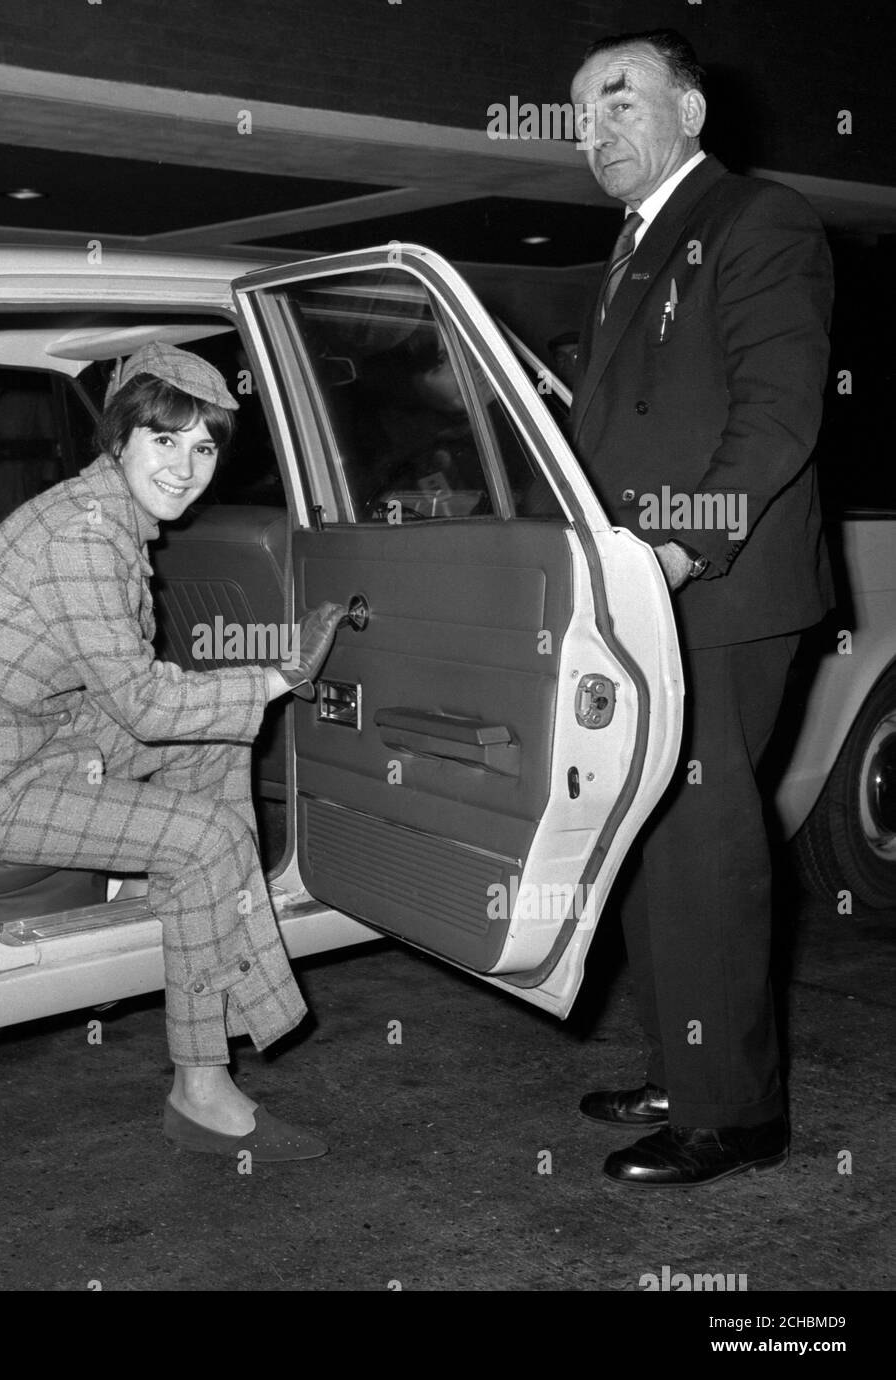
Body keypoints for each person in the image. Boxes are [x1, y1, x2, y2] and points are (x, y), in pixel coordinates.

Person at [0, 341, 344, 1162]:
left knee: (209, 743)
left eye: (204, 446)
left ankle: (177, 917)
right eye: (165, 440)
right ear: (122, 437)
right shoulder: (85, 539)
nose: (186, 466)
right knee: (212, 841)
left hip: (13, 738)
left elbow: (122, 691)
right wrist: (275, 676)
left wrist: (242, 687)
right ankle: (201, 1089)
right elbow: (139, 701)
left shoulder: (96, 513)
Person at [567, 30, 833, 1186]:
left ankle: (736, 1115)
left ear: (691, 108)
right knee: (649, 837)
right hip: (636, 590)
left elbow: (778, 414)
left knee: (706, 845)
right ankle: (682, 1066)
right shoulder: (627, 247)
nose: (593, 129)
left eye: (618, 99)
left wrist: (682, 543)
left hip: (715, 592)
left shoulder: (756, 220)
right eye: (578, 115)